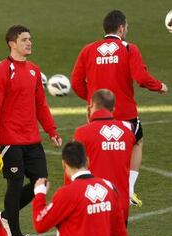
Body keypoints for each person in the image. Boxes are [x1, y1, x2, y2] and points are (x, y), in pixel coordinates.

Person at [71, 10, 168, 206]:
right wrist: (160, 86)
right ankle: (129, 188)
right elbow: (141, 78)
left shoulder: (89, 50)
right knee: (136, 142)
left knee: (97, 150)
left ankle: (94, 192)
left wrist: (92, 100)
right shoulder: (128, 48)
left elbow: (76, 81)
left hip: (97, 113)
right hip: (125, 113)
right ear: (121, 28)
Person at [0, 24, 62, 236]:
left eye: (30, 39)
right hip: (10, 140)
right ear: (12, 43)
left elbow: (41, 104)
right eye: (24, 40)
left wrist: (52, 131)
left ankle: (5, 216)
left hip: (32, 139)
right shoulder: (2, 70)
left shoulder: (34, 70)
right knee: (15, 184)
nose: (29, 43)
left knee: (42, 180)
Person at [33, 141, 130, 236]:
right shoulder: (108, 188)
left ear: (64, 164)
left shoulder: (67, 194)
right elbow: (119, 230)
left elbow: (40, 224)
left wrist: (40, 194)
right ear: (87, 161)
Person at [73, 89, 135, 222]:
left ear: (91, 106)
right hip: (121, 204)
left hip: (95, 204)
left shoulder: (82, 133)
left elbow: (75, 170)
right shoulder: (128, 129)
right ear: (113, 108)